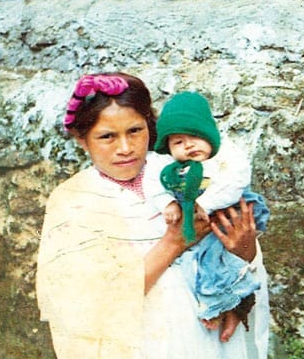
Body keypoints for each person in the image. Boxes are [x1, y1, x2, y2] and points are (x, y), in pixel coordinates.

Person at [36, 73, 269, 359]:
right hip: (140, 345)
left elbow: (236, 240)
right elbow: (83, 302)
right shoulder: (74, 202)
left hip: (210, 336)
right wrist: (173, 242)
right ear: (82, 140)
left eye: (135, 131)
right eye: (107, 136)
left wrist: (239, 292)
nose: (125, 148)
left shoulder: (185, 172)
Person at [143, 91, 268, 334]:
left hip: (226, 211)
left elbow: (236, 181)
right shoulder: (166, 166)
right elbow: (153, 183)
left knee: (221, 261)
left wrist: (206, 203)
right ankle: (224, 301)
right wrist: (167, 204)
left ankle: (225, 303)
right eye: (178, 142)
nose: (188, 146)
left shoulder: (225, 156)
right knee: (200, 264)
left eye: (195, 137)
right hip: (197, 222)